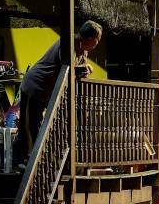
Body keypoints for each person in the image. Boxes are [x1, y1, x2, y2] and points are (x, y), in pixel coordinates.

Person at [11, 20, 103, 167]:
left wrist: (83, 70)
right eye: (97, 40)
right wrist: (84, 68)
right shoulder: (68, 43)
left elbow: (77, 72)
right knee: (29, 126)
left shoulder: (82, 51)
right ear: (89, 38)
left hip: (48, 92)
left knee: (51, 123)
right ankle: (28, 161)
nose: (97, 44)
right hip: (34, 86)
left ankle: (42, 158)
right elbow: (66, 67)